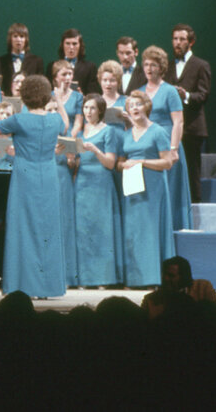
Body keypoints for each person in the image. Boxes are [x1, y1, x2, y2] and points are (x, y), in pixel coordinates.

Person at [0, 75, 70, 298]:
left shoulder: (19, 120)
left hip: (25, 174)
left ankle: (23, 286)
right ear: (46, 95)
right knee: (47, 228)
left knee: (23, 227)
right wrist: (58, 101)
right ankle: (47, 287)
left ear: (25, 96)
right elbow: (66, 125)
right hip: (48, 174)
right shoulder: (54, 120)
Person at [117, 90, 176, 287]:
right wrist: (124, 164)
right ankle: (134, 279)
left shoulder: (158, 131)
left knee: (149, 230)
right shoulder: (126, 134)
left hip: (153, 186)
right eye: (131, 105)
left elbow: (167, 162)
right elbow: (121, 161)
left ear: (147, 107)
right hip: (132, 187)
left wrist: (142, 161)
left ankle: (152, 279)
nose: (134, 108)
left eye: (138, 104)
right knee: (133, 231)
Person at [138, 46, 193, 230]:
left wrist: (173, 149)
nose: (149, 68)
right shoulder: (139, 92)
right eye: (146, 64)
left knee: (171, 189)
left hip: (168, 145)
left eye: (153, 65)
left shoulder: (170, 91)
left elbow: (178, 122)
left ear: (161, 68)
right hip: (147, 146)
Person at [74, 94, 123, 287]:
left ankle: (103, 278)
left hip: (101, 183)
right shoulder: (79, 132)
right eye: (86, 108)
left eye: (92, 108)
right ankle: (85, 278)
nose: (88, 112)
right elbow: (77, 161)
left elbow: (110, 163)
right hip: (82, 184)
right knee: (83, 231)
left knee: (101, 230)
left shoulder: (108, 131)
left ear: (100, 111)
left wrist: (95, 150)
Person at [164, 24, 211, 203]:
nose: (177, 43)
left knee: (192, 172)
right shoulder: (167, 66)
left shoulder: (201, 65)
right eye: (175, 39)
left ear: (191, 42)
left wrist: (186, 95)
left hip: (192, 128)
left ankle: (194, 211)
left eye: (182, 39)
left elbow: (204, 94)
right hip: (169, 128)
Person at [49, 59, 83, 286]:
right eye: (63, 73)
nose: (67, 77)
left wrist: (70, 138)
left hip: (67, 145)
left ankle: (69, 273)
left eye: (70, 73)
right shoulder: (48, 94)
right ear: (55, 76)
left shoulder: (78, 97)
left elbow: (77, 123)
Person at [141, 256, 216, 318]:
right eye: (164, 275)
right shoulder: (150, 300)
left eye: (171, 276)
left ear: (184, 277)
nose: (166, 279)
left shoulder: (203, 288)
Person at [0, 23, 44, 95]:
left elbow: (39, 86)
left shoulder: (36, 61)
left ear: (26, 39)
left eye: (22, 36)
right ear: (10, 39)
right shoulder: (1, 61)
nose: (18, 40)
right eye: (15, 36)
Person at [47, 28, 96, 94]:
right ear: (62, 45)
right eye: (67, 43)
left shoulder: (90, 67)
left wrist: (82, 97)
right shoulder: (52, 66)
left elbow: (93, 94)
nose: (71, 47)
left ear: (80, 46)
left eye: (74, 44)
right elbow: (47, 91)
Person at [97, 60, 128, 132]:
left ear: (119, 82)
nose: (108, 84)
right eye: (105, 80)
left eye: (112, 80)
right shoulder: (95, 102)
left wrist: (128, 119)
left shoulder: (126, 101)